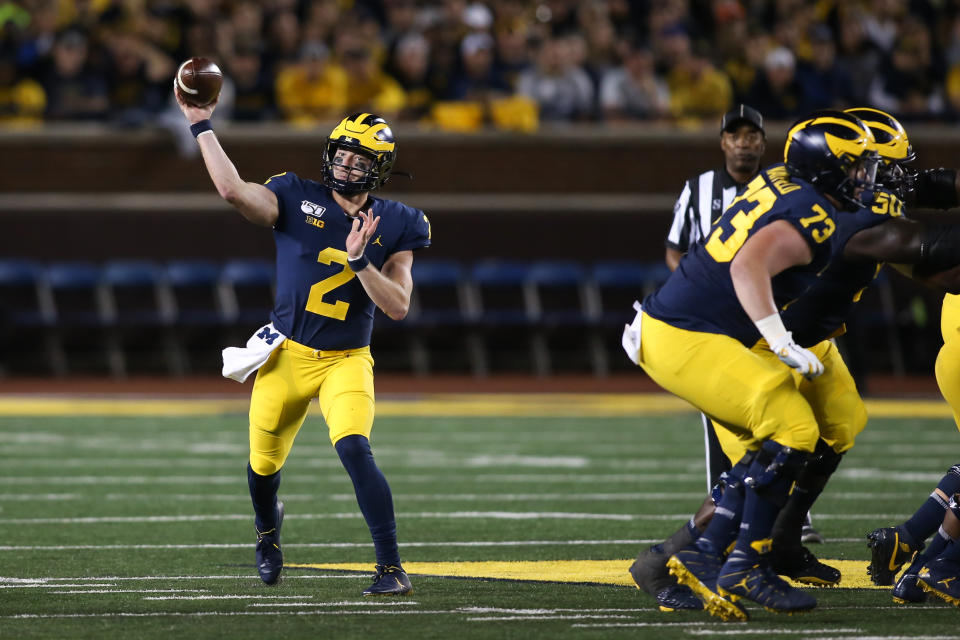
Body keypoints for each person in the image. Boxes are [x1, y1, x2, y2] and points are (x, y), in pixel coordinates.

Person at [622, 110, 879, 620]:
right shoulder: (814, 210)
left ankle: (728, 552)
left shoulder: (786, 180)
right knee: (789, 427)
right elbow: (749, 264)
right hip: (693, 333)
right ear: (827, 168)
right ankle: (740, 560)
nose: (867, 178)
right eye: (857, 167)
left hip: (710, 328)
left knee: (800, 434)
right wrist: (780, 340)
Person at [174, 87, 430, 596]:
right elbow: (233, 191)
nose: (346, 167)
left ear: (380, 169)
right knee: (262, 465)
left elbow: (398, 307)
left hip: (346, 360)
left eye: (360, 161)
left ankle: (390, 567)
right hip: (286, 354)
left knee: (356, 448)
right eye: (341, 155)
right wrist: (201, 124)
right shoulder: (294, 194)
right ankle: (267, 534)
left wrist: (361, 263)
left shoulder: (400, 221)